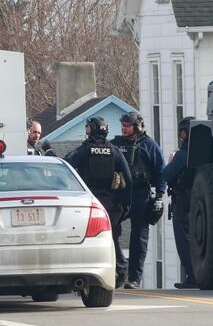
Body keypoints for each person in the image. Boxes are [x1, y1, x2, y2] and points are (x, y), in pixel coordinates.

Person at [65, 117, 133, 289]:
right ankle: (121, 271)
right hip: (111, 204)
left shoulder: (84, 150)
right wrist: (126, 205)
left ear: (92, 129)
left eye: (87, 127)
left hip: (90, 203)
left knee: (87, 239)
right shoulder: (115, 151)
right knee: (113, 238)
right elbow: (129, 179)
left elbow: (68, 168)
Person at [111, 112, 166, 290]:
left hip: (141, 195)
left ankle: (134, 279)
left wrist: (159, 196)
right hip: (120, 195)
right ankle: (120, 269)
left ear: (137, 126)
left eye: (127, 125)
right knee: (109, 231)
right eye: (123, 125)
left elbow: (160, 172)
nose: (124, 128)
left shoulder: (149, 145)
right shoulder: (115, 144)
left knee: (139, 238)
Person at [162, 117, 197, 289]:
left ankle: (192, 276)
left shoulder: (183, 155)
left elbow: (166, 174)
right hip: (200, 203)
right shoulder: (206, 153)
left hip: (183, 200)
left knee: (184, 240)